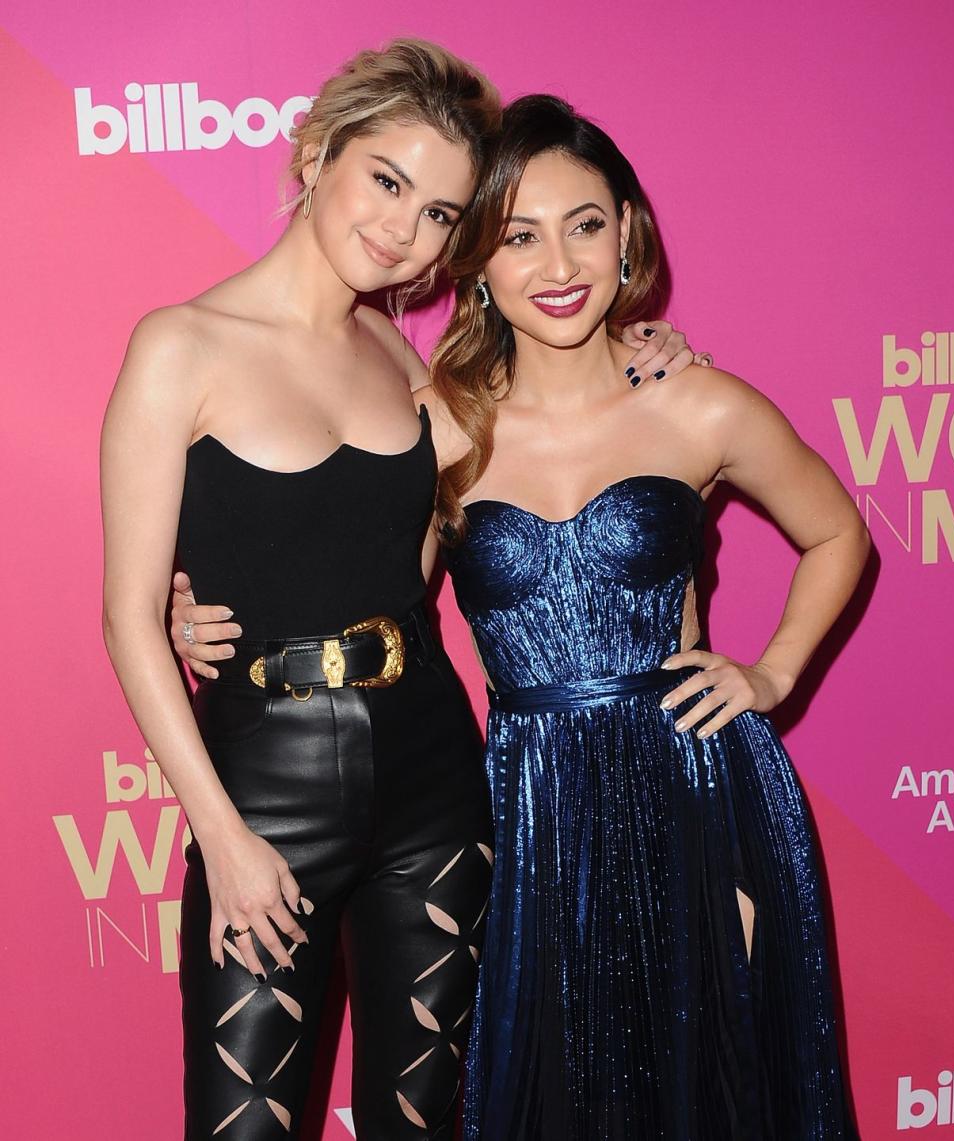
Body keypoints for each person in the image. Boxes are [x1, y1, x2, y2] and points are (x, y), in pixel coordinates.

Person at [178, 94, 869, 1137]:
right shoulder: (444, 422)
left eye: (586, 225)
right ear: (477, 265)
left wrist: (769, 674)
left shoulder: (697, 402)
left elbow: (839, 534)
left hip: (692, 785)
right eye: (518, 235)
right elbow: (364, 583)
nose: (558, 265)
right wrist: (201, 616)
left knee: (717, 1083)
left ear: (628, 231)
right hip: (527, 803)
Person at [102, 41, 698, 1141]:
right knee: (242, 1123)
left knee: (422, 1119)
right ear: (319, 152)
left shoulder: (399, 354)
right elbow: (130, 619)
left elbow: (487, 471)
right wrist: (221, 834)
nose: (404, 232)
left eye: (439, 214)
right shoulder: (180, 346)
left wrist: (642, 351)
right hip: (263, 782)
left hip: (432, 765)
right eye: (387, 182)